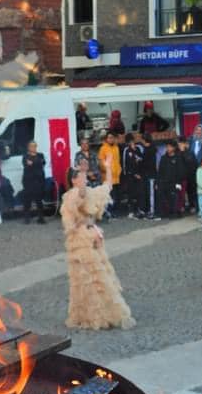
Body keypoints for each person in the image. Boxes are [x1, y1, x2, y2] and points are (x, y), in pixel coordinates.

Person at [60, 166, 135, 330]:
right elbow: (78, 200)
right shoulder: (72, 195)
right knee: (89, 278)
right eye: (81, 177)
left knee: (100, 275)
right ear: (74, 180)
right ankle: (91, 315)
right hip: (81, 241)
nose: (85, 179)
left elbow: (107, 186)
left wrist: (108, 167)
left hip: (93, 237)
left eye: (85, 176)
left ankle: (105, 313)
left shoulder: (90, 192)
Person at [156, 140, 185, 218]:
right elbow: (160, 171)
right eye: (167, 147)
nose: (168, 148)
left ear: (174, 148)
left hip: (174, 182)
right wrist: (158, 182)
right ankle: (165, 213)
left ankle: (175, 213)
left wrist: (178, 182)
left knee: (175, 198)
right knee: (164, 198)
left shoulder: (178, 158)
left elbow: (181, 171)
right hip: (164, 182)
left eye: (169, 147)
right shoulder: (163, 158)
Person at [21, 141, 47, 224]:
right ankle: (26, 218)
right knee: (27, 200)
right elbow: (27, 164)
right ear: (28, 147)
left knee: (39, 200)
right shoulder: (25, 156)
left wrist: (33, 163)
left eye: (35, 146)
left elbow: (42, 163)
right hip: (28, 180)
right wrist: (37, 163)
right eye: (31, 146)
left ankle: (41, 217)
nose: (33, 148)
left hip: (39, 180)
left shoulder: (40, 155)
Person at [122, 134, 146, 219]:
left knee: (140, 192)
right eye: (129, 142)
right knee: (131, 193)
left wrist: (135, 151)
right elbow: (125, 164)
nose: (131, 143)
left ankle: (141, 209)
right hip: (130, 175)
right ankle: (131, 210)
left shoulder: (139, 148)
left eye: (132, 141)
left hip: (140, 174)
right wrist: (129, 174)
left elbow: (143, 159)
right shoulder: (126, 150)